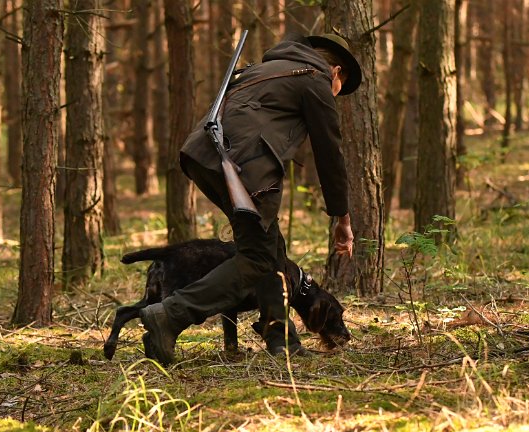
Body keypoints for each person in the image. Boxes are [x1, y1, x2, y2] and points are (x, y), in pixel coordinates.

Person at [139, 33, 362, 366]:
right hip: (246, 167)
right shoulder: (315, 79)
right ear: (336, 71)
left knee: (272, 252)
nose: (335, 96)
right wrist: (342, 219)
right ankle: (170, 315)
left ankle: (281, 341)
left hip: (203, 156)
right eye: (339, 89)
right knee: (257, 258)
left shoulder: (260, 70)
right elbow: (330, 155)